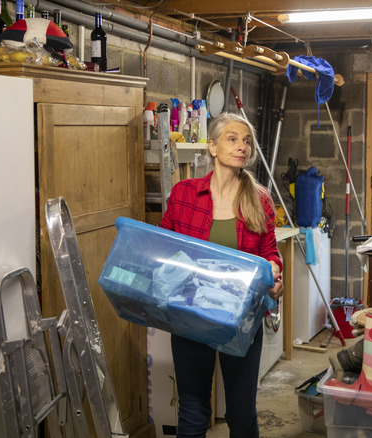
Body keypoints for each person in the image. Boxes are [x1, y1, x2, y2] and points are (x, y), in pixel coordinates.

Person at [159, 112, 284, 437]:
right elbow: (163, 247)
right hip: (191, 315)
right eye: (232, 138)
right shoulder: (184, 194)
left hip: (241, 319)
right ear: (212, 147)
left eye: (246, 141)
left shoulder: (260, 200)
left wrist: (275, 271)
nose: (241, 146)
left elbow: (270, 251)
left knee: (241, 414)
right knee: (193, 410)